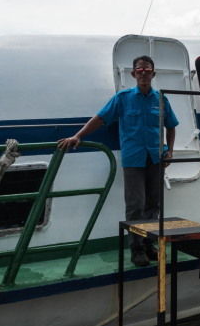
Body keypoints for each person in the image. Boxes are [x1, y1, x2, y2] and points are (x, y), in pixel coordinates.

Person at [58, 56, 179, 267]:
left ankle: (150, 244)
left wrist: (170, 151)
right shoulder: (122, 98)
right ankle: (137, 249)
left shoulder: (161, 99)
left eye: (147, 69)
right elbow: (100, 118)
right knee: (135, 205)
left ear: (153, 73)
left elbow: (171, 125)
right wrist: (78, 135)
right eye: (139, 70)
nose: (143, 73)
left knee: (153, 205)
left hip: (156, 158)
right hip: (133, 159)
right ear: (133, 74)